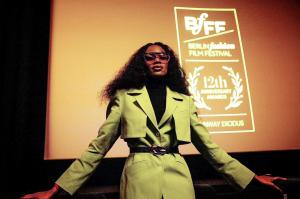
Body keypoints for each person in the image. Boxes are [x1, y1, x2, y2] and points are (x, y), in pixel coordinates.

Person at [21, 42, 286, 199]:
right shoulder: (124, 97)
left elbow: (210, 148)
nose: (157, 59)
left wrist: (250, 178)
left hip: (178, 176)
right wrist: (57, 190)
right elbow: (97, 148)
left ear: (170, 61)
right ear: (142, 63)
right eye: (150, 56)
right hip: (139, 175)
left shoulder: (185, 101)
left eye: (162, 55)